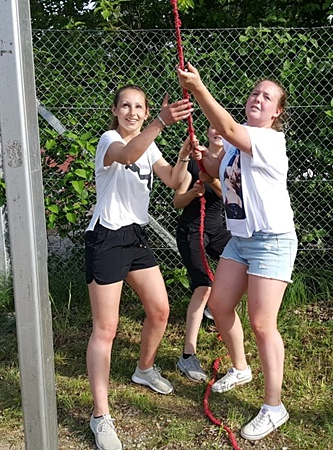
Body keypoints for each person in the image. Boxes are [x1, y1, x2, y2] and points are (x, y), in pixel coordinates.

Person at [176, 64, 297, 441]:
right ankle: (241, 368)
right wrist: (201, 156)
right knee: (220, 305)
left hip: (272, 240)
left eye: (267, 97)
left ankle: (274, 407)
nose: (258, 98)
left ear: (277, 112)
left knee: (262, 323)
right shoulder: (238, 141)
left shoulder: (269, 140)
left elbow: (227, 128)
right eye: (255, 93)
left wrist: (197, 88)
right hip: (241, 239)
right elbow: (218, 168)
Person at [85, 84, 193, 450]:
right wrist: (161, 122)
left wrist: (183, 157)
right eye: (126, 106)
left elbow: (175, 182)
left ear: (145, 112)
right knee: (106, 329)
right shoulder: (110, 140)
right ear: (115, 111)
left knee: (160, 311)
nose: (132, 112)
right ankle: (100, 416)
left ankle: (143, 369)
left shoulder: (150, 145)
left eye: (139, 107)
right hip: (107, 237)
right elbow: (129, 154)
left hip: (135, 236)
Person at [173, 126, 231, 382]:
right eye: (212, 126)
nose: (217, 131)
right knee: (203, 286)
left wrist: (212, 180)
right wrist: (192, 193)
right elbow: (177, 201)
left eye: (221, 127)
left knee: (245, 265)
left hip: (217, 230)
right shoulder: (196, 160)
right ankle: (188, 356)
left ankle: (215, 308)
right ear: (207, 132)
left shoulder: (229, 159)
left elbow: (228, 194)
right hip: (191, 230)